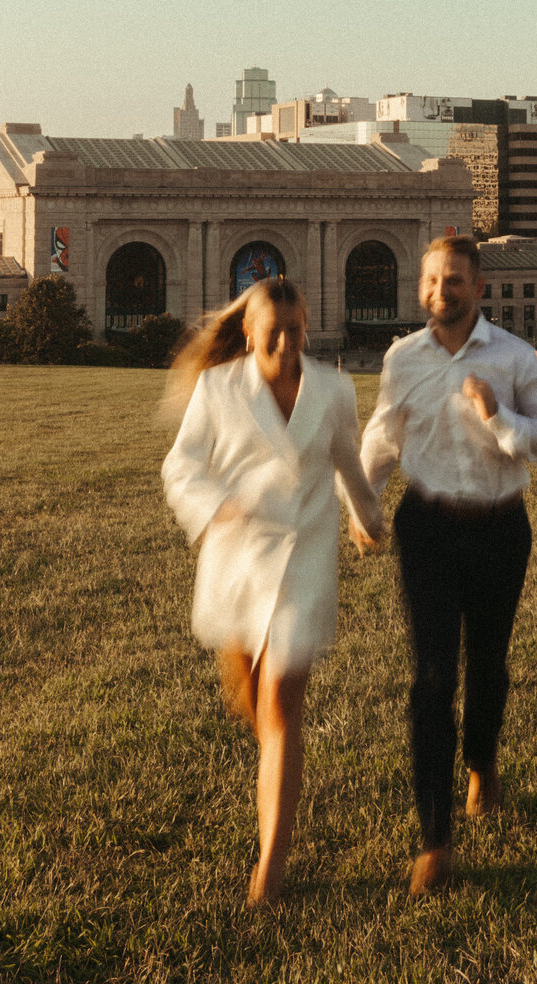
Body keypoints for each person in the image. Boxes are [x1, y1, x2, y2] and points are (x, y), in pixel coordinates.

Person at [162, 277, 386, 906]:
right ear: (251, 331)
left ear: (308, 328)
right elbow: (181, 467)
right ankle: (268, 757)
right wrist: (215, 508)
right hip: (237, 563)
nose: (287, 343)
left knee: (283, 707)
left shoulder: (334, 390)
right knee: (254, 707)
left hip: (303, 564)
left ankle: (271, 865)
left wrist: (370, 520)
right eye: (275, 332)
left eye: (297, 331)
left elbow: (348, 462)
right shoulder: (217, 388)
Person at [355, 235, 537, 896]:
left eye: (455, 281)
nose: (440, 292)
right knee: (430, 678)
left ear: (480, 289)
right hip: (427, 530)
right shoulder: (403, 359)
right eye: (432, 281)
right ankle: (435, 841)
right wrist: (363, 507)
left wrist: (498, 415)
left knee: (489, 665)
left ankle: (481, 761)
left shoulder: (515, 358)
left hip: (502, 529)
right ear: (420, 289)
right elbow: (382, 439)